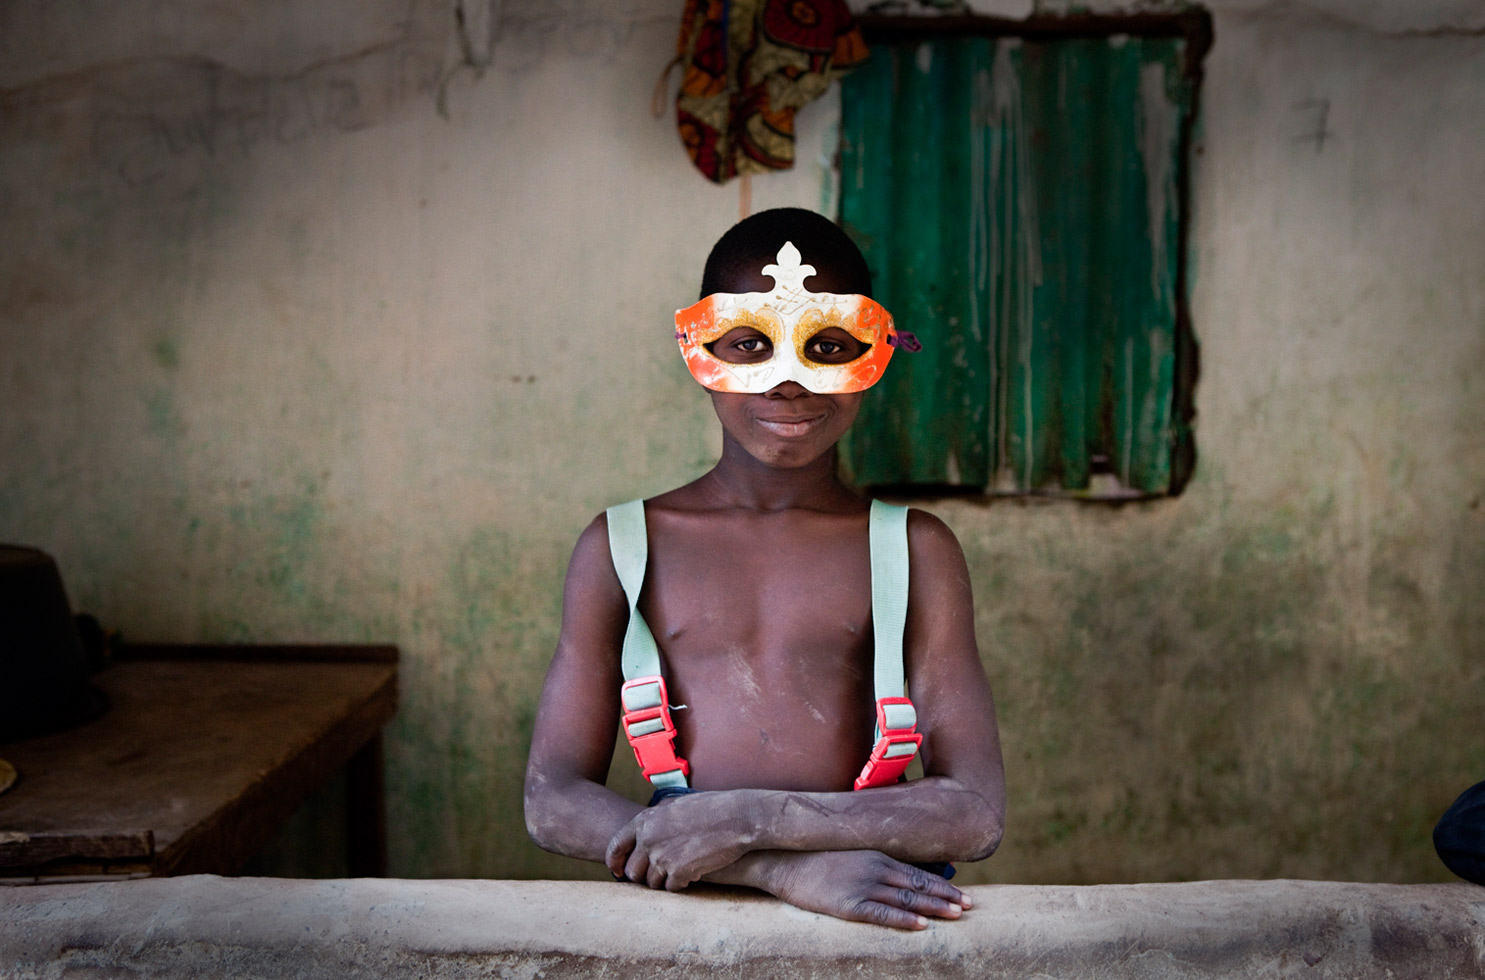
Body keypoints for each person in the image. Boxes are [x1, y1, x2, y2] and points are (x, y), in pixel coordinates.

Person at [523, 207, 1005, 929]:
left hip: (871, 905)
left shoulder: (915, 549)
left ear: (878, 349)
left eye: (829, 346)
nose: (788, 381)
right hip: (685, 902)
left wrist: (753, 819)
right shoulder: (620, 547)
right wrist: (776, 869)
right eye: (748, 344)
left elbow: (973, 813)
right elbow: (552, 798)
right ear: (696, 346)